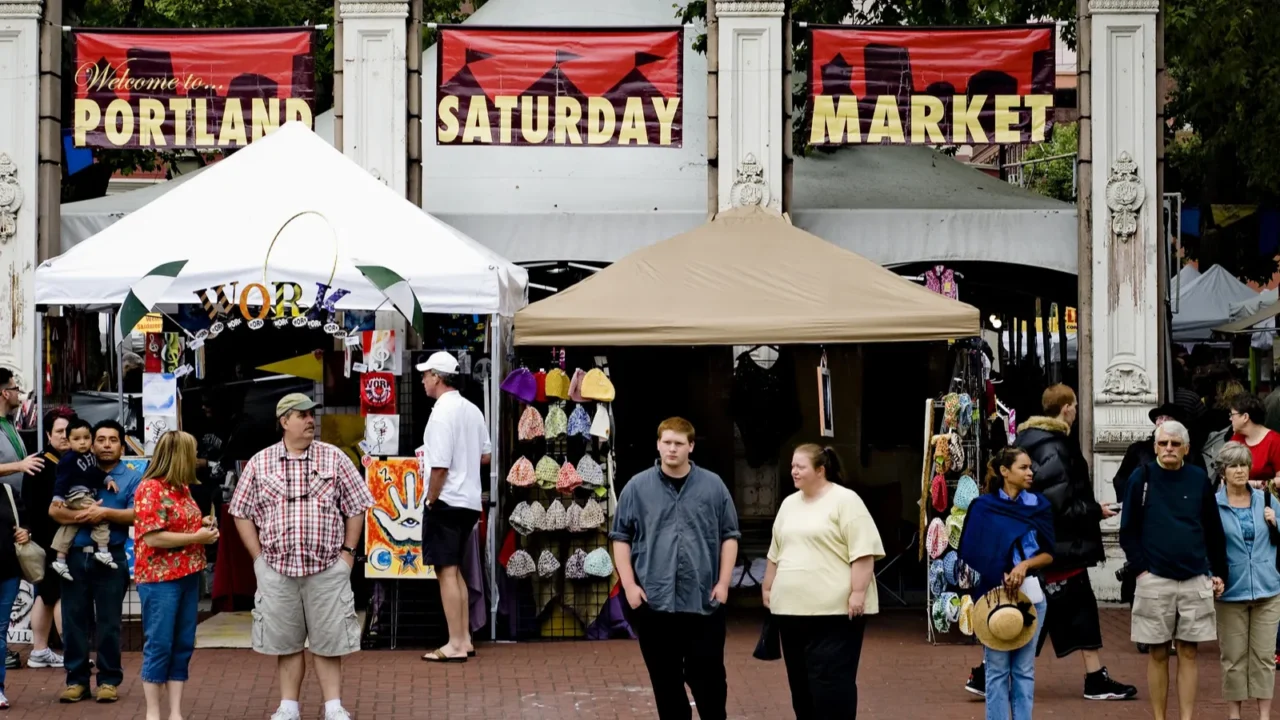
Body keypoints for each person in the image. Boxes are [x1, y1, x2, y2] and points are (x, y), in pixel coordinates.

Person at [966, 384, 1136, 701]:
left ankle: (987, 672)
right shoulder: (1056, 446)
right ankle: (990, 673)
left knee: (1054, 608)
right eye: (1074, 405)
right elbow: (1057, 503)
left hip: (1037, 544)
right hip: (1056, 546)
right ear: (1067, 408)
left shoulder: (1027, 441)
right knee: (1062, 609)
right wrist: (1094, 510)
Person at [230, 393, 374, 720]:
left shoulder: (334, 458)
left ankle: (334, 707)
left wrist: (348, 555)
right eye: (302, 415)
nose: (310, 421)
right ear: (284, 422)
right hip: (278, 569)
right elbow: (240, 511)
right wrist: (258, 559)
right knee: (286, 642)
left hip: (327, 568)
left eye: (312, 415)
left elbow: (356, 507)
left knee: (329, 640)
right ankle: (288, 706)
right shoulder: (260, 462)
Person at [610, 417, 740, 720]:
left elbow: (729, 536)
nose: (672, 449)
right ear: (657, 444)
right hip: (654, 602)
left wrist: (723, 583)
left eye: (679, 443)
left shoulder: (713, 486)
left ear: (690, 447)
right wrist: (629, 585)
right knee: (666, 684)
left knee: (709, 683)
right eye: (666, 442)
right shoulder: (637, 488)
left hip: (703, 602)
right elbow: (620, 538)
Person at [763, 444, 884, 719]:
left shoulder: (846, 500)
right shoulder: (788, 504)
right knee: (801, 685)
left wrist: (857, 592)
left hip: (835, 614)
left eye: (800, 466)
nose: (793, 471)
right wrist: (768, 586)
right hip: (791, 612)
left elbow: (863, 552)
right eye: (792, 465)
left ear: (820, 470)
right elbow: (775, 551)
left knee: (830, 685)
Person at [1119, 420, 1228, 720]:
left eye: (1175, 444)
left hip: (1194, 576)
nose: (1169, 448)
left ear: (1186, 449)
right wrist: (1142, 570)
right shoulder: (1140, 478)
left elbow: (1213, 529)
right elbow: (1127, 530)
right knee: (1156, 652)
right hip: (1155, 578)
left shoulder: (1198, 479)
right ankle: (1159, 718)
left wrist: (1218, 571)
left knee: (1189, 652)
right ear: (1155, 446)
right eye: (1164, 443)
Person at [957, 447, 1055, 720]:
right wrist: (1000, 570)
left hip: (1030, 596)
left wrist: (1024, 565)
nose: (1030, 472)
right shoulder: (984, 507)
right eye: (1023, 468)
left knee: (1024, 670)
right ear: (1004, 472)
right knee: (997, 670)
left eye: (1030, 467)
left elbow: (1049, 553)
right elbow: (971, 549)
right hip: (993, 594)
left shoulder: (1039, 505)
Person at [53, 419, 142, 704]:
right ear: (91, 443)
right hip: (75, 558)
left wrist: (103, 515)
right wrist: (83, 516)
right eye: (100, 439)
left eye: (112, 440)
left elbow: (136, 514)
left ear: (122, 443)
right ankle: (76, 681)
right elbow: (54, 511)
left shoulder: (131, 476)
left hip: (111, 557)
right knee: (73, 622)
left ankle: (108, 680)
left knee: (109, 623)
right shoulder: (75, 468)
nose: (106, 445)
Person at [135, 431, 219, 720]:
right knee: (159, 643)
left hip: (187, 574)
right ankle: (153, 713)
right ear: (180, 455)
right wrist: (196, 536)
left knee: (182, 643)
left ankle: (175, 713)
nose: (196, 459)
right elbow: (153, 538)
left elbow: (178, 523)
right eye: (192, 453)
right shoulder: (151, 488)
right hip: (160, 579)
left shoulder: (181, 487)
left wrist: (202, 523)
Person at [417, 352, 489, 663]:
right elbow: (485, 455)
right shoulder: (472, 410)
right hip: (470, 501)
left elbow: (440, 467)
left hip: (446, 500)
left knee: (445, 571)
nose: (422, 380)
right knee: (454, 569)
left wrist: (431, 499)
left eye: (425, 375)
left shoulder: (441, 413)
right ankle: (464, 639)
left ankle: (456, 643)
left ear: (436, 376)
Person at [1213, 441, 1280, 720]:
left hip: (1268, 589)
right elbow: (1206, 544)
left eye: (1243, 464)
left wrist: (1275, 521)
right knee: (1234, 659)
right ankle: (1234, 715)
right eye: (1233, 466)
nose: (1240, 471)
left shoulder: (1266, 499)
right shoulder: (1213, 506)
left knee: (1264, 658)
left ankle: (1264, 716)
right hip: (1231, 591)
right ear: (1223, 471)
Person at [22, 407, 73, 670]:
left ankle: (40, 650)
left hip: (62, 540)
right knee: (57, 593)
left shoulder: (74, 461)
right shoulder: (41, 464)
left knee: (47, 594)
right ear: (48, 435)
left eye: (69, 431)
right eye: (59, 432)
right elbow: (33, 507)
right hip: (49, 540)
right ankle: (70, 653)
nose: (65, 436)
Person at [49, 418, 118, 580]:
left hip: (84, 493)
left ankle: (60, 558)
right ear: (69, 440)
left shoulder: (89, 456)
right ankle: (102, 550)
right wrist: (57, 497)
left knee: (71, 524)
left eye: (86, 438)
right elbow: (61, 479)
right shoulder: (68, 459)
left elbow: (94, 472)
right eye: (77, 439)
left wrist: (108, 479)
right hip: (76, 494)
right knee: (98, 515)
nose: (82, 443)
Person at [1227, 393, 1280, 485]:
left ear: (1245, 417)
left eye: (1232, 414)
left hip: (1266, 497)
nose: (1230, 418)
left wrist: (1254, 484)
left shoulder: (1275, 441)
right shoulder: (1236, 439)